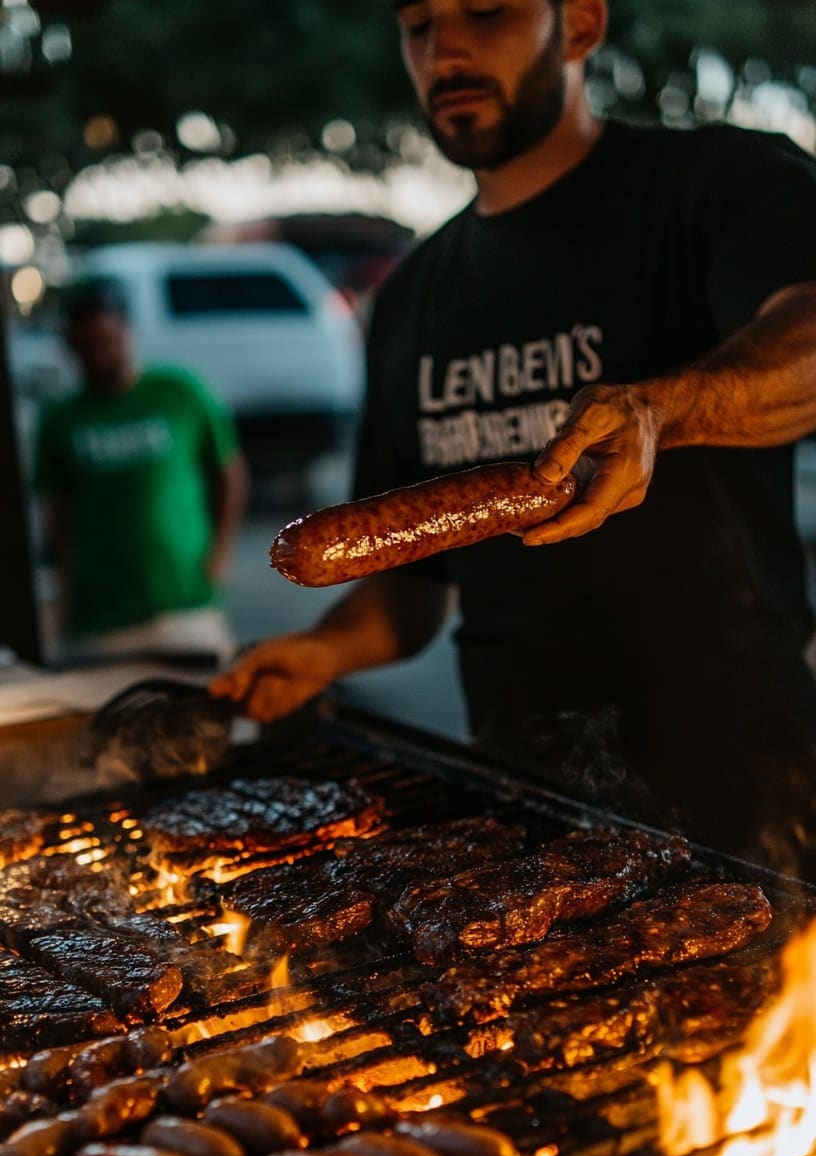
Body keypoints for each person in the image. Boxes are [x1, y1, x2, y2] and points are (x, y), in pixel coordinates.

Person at [213, 0, 816, 871]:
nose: (444, 48)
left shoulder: (714, 183)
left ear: (578, 24)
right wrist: (325, 647)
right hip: (515, 795)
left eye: (485, 11)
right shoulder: (413, 296)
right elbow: (413, 586)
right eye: (417, 25)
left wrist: (662, 410)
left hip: (742, 796)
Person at [34, 281, 248, 666]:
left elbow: (229, 474)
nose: (100, 357)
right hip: (99, 620)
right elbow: (56, 509)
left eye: (108, 342)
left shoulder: (179, 392)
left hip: (184, 606)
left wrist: (219, 557)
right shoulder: (60, 417)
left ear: (127, 332)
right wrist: (64, 586)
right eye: (86, 348)